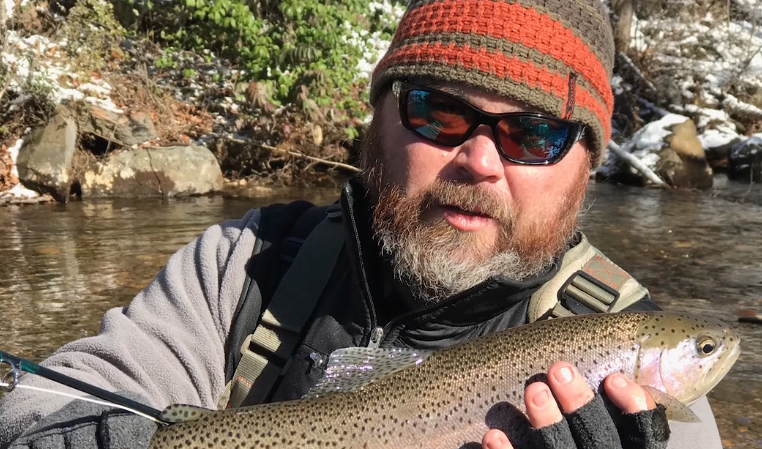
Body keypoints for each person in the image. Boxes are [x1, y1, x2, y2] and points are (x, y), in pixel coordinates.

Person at [0, 0, 724, 448]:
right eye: (437, 113)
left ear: (586, 166)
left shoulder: (655, 416)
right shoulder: (246, 265)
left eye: (532, 135)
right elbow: (41, 402)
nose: (476, 160)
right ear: (374, 122)